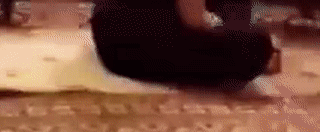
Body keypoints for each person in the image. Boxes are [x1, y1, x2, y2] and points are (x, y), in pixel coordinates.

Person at [89, 0, 275, 89]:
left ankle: (232, 34)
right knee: (259, 46)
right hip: (135, 45)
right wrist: (214, 24)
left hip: (108, 41)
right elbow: (194, 21)